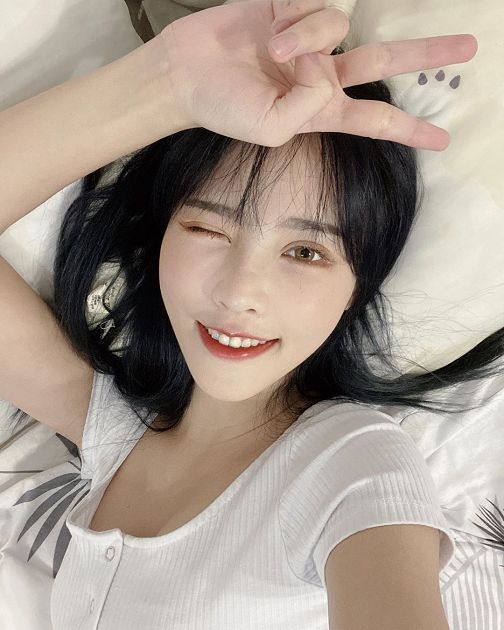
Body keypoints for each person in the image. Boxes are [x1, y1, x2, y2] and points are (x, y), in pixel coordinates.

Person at [1, 0, 499, 628]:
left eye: (306, 251)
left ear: (356, 288)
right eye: (209, 228)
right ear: (160, 238)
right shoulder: (117, 435)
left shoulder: (353, 466)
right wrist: (169, 83)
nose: (240, 293)